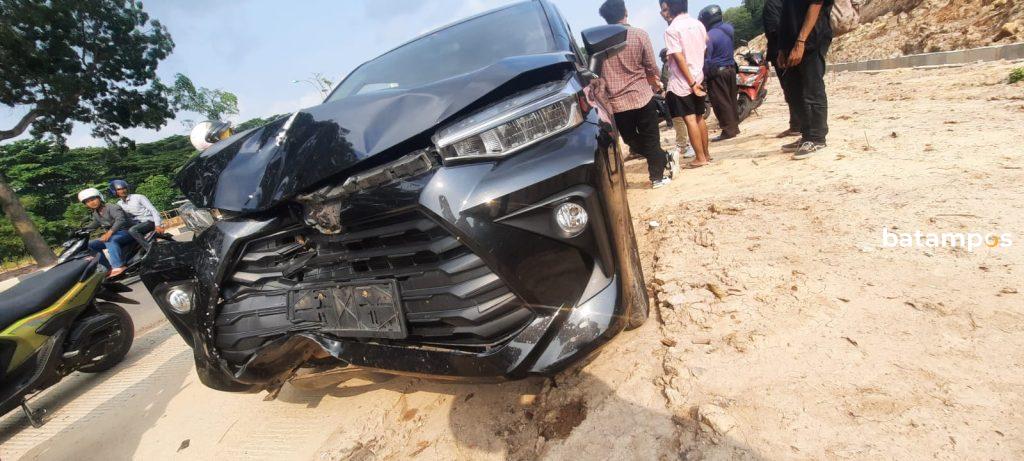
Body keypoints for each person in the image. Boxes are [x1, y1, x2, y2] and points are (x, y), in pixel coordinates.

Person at [598, 0, 675, 189]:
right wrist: (658, 81)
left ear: (605, 18)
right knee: (651, 138)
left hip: (618, 104)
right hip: (642, 96)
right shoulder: (639, 35)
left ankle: (659, 166)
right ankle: (659, 171)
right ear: (625, 12)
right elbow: (651, 67)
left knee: (631, 140)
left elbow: (598, 76)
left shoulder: (599, 43)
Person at [778, 0, 834, 159]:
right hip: (792, 43)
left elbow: (816, 5)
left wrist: (801, 41)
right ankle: (807, 134)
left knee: (812, 89)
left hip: (811, 39)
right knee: (793, 92)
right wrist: (783, 47)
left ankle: (817, 138)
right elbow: (786, 15)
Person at [661, 0, 711, 168]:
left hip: (683, 82)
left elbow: (678, 56)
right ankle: (706, 154)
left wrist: (690, 82)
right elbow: (703, 50)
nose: (663, 14)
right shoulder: (698, 25)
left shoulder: (671, 30)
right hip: (698, 76)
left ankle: (700, 157)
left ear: (671, 7)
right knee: (699, 117)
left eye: (664, 10)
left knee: (690, 119)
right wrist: (696, 76)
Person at [699, 4, 741, 142]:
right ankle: (735, 127)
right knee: (731, 99)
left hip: (718, 73)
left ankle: (728, 131)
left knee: (720, 102)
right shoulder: (728, 28)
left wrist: (704, 77)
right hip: (731, 69)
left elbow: (707, 59)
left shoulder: (709, 36)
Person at [763, 0, 803, 139]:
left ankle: (798, 126)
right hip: (796, 48)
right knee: (797, 89)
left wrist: (783, 49)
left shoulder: (771, 4)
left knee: (791, 90)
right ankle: (797, 125)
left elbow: (773, 30)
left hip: (782, 52)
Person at [78, 188, 135, 277]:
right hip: (116, 234)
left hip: (127, 231)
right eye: (87, 202)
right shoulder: (96, 213)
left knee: (109, 239)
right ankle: (107, 268)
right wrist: (80, 230)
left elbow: (120, 220)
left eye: (93, 199)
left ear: (99, 198)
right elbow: (94, 224)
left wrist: (109, 233)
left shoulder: (111, 207)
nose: (91, 203)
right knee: (90, 245)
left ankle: (119, 266)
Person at [659, 49, 696, 160]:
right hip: (684, 90)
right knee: (687, 119)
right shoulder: (679, 62)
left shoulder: (668, 65)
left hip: (676, 92)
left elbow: (665, 79)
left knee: (681, 120)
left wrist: (665, 90)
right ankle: (685, 144)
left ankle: (685, 145)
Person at [109, 179, 163, 249]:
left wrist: (158, 225)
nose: (122, 191)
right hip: (137, 224)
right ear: (115, 192)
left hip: (149, 222)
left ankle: (149, 249)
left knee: (133, 230)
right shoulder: (119, 204)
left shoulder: (139, 197)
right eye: (119, 189)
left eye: (124, 188)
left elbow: (153, 210)